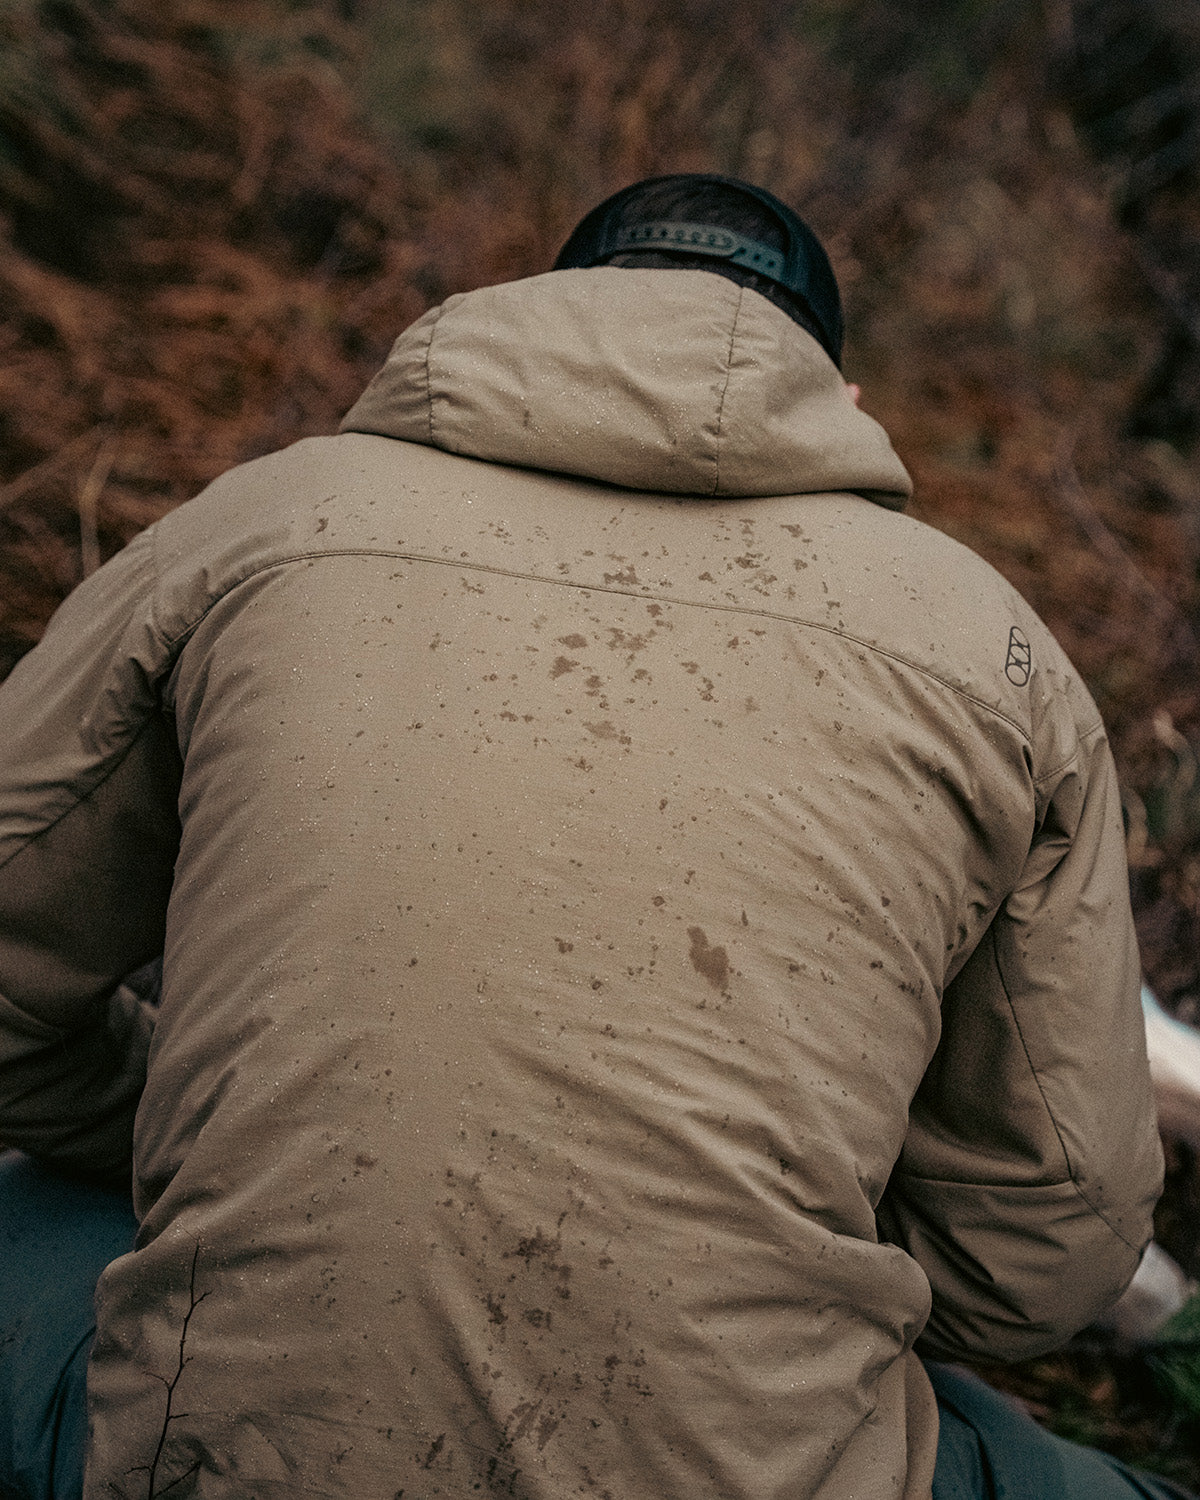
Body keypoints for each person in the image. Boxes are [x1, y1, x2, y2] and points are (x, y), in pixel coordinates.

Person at [0, 174, 1176, 1499]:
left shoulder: (263, 524)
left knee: (28, 1220)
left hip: (218, 1460)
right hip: (762, 1469)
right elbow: (1053, 1245)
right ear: (838, 399)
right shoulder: (998, 654)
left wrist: (190, 1123)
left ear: (540, 314)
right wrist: (761, 1255)